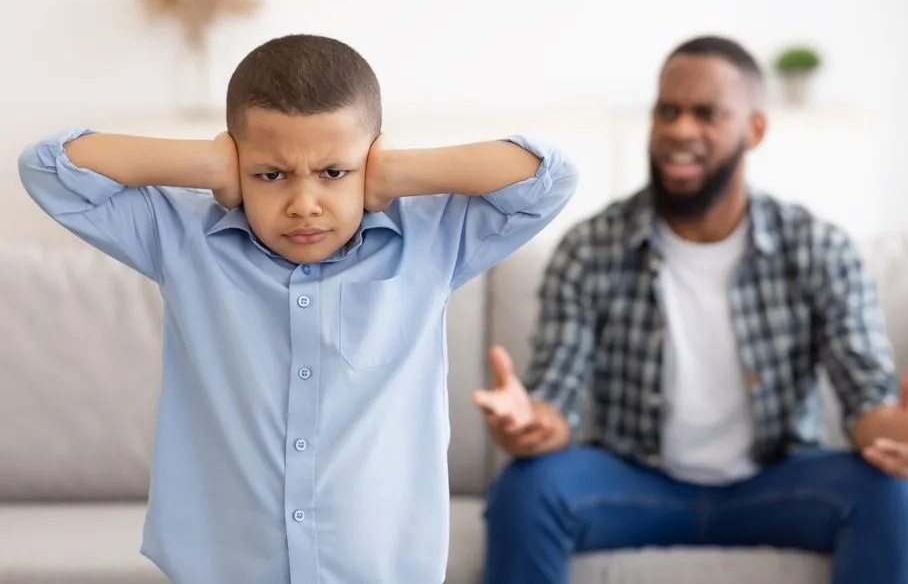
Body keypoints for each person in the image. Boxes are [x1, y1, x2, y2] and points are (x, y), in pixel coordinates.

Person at [18, 34, 578, 584]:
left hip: (379, 570)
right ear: (237, 166)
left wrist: (395, 173)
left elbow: (550, 177)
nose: (303, 204)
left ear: (370, 159)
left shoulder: (432, 241)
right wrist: (207, 164)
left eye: (334, 173)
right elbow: (48, 168)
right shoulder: (181, 239)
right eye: (271, 174)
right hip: (225, 569)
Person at [473, 35, 908, 584]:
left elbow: (867, 400)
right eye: (668, 111)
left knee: (895, 496)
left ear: (755, 129)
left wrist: (897, 433)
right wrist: (532, 424)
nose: (680, 130)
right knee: (525, 490)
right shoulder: (591, 247)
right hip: (634, 483)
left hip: (776, 484)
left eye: (706, 114)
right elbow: (555, 395)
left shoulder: (819, 249)